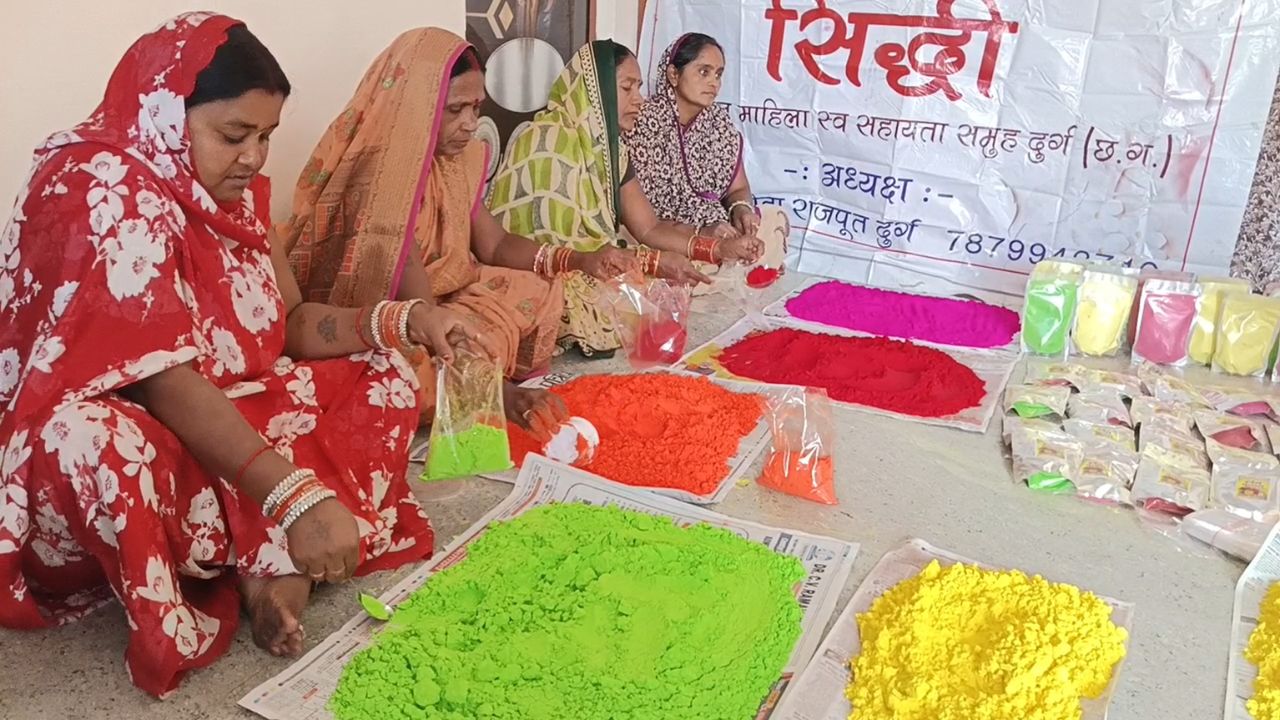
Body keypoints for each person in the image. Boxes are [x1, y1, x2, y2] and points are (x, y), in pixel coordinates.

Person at [0, 14, 438, 697]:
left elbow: (286, 322)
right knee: (91, 439)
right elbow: (159, 381)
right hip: (141, 443)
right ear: (165, 116)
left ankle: (265, 569)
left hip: (230, 416)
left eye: (266, 137)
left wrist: (396, 319)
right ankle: (258, 552)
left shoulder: (236, 195)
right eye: (236, 135)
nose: (256, 158)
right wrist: (295, 495)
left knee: (382, 375)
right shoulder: (100, 185)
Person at [281, 28, 629, 432]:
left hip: (444, 294)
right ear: (416, 105)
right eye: (456, 109)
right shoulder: (384, 181)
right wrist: (501, 394)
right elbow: (421, 311)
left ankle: (480, 375)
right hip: (395, 314)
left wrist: (577, 259)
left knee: (542, 284)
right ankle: (478, 384)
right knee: (410, 373)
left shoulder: (455, 161)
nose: (470, 124)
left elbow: (494, 244)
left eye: (476, 108)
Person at [488, 41, 764, 357]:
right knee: (604, 300)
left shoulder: (612, 150)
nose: (639, 100)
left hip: (592, 258)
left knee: (648, 292)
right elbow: (553, 243)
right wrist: (655, 260)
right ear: (597, 88)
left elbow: (647, 228)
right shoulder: (548, 138)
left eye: (639, 88)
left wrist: (716, 249)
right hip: (541, 266)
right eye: (626, 88)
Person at [627, 32, 785, 242]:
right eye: (704, 72)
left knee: (773, 223)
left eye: (718, 74)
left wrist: (741, 210)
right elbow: (640, 214)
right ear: (673, 75)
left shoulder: (719, 126)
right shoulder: (641, 121)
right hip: (659, 232)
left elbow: (738, 188)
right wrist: (699, 231)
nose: (714, 83)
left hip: (716, 225)